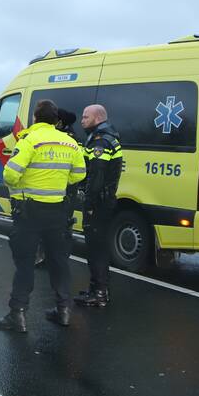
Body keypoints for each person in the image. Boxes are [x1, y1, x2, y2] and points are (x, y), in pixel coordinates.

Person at [0, 99, 86, 333]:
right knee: (59, 262)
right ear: (56, 120)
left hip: (29, 212)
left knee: (25, 263)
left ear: (35, 118)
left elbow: (10, 175)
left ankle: (18, 314)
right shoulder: (70, 143)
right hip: (57, 211)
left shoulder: (30, 140)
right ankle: (64, 310)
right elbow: (78, 175)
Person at [74, 104, 123, 308]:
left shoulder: (100, 141)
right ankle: (97, 289)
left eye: (86, 117)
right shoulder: (106, 137)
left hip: (98, 203)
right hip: (105, 201)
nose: (82, 120)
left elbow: (96, 176)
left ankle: (99, 292)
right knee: (97, 247)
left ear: (98, 118)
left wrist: (90, 203)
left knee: (96, 249)